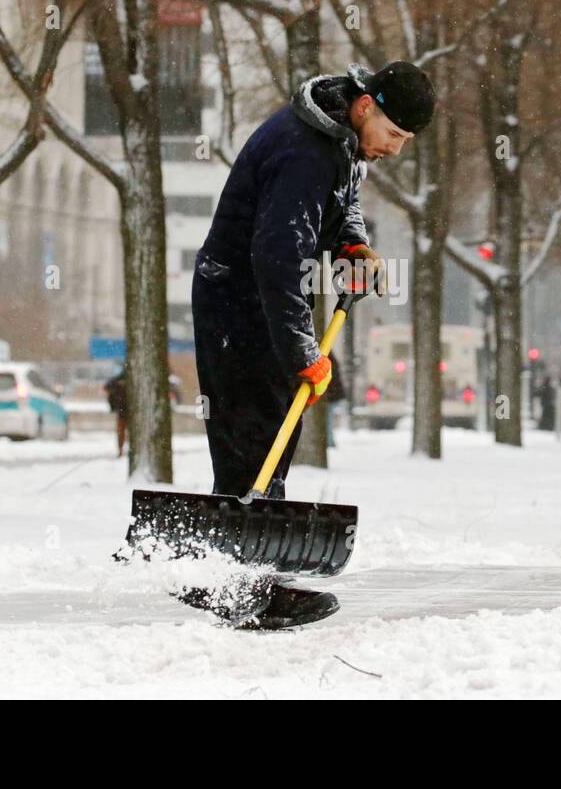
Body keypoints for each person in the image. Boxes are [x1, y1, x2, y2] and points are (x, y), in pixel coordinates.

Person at [186, 61, 436, 627]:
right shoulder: (304, 151)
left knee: (272, 433)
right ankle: (240, 587)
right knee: (252, 436)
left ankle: (244, 575)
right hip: (238, 303)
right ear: (366, 106)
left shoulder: (343, 140)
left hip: (262, 303)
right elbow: (278, 259)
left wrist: (352, 244)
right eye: (394, 136)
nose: (395, 150)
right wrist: (303, 351)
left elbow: (343, 200)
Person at [103, 365, 128, 458]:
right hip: (128, 410)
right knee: (125, 431)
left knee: (121, 431)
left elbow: (106, 387)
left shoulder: (115, 381)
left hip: (121, 409)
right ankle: (124, 449)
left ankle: (121, 449)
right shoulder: (133, 381)